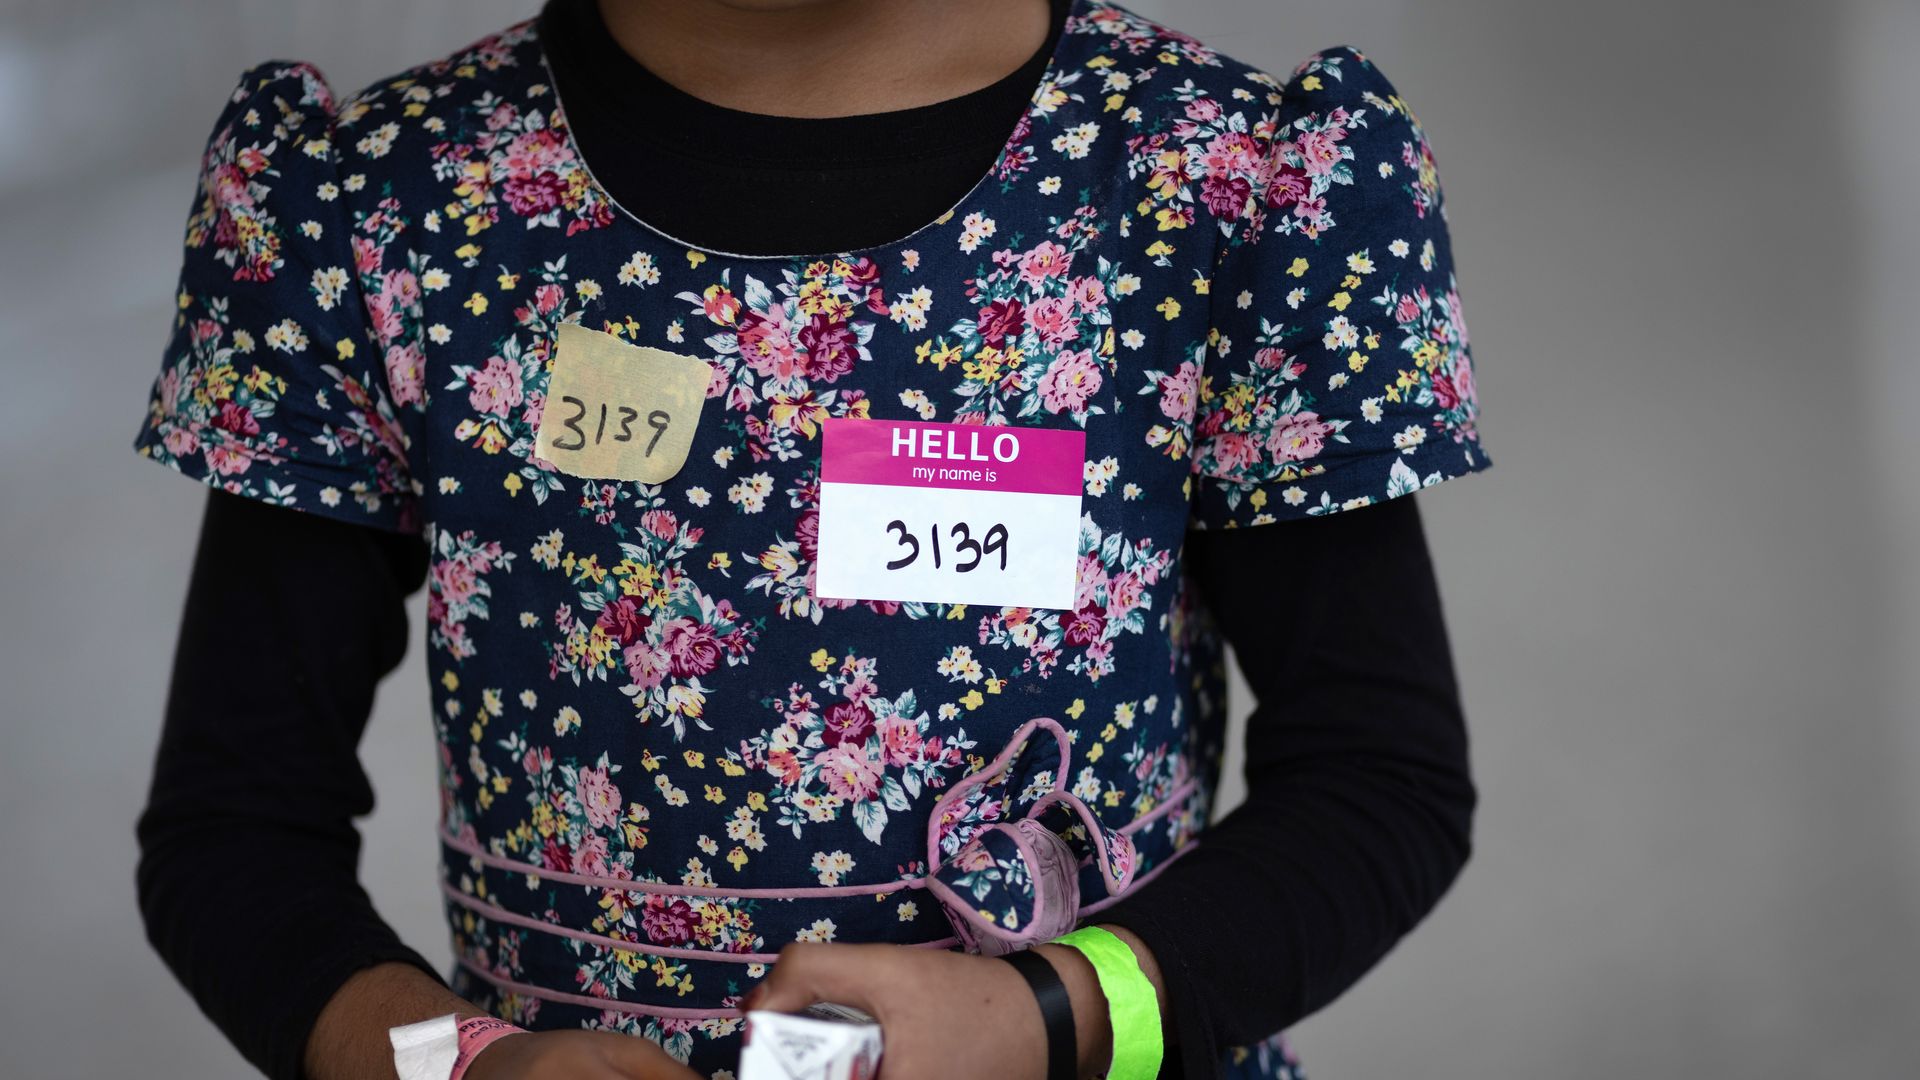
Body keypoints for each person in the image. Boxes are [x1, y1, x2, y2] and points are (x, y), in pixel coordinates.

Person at [128, 0, 1490, 1077]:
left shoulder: (1225, 186)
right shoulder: (380, 207)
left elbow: (1381, 779)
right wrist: (455, 1062)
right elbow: (235, 831)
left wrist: (1057, 1015)